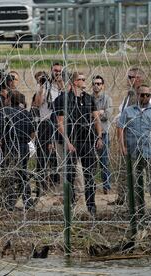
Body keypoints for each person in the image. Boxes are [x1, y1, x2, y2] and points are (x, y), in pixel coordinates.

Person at [54, 72, 103, 216]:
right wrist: (68, 142)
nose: (84, 81)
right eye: (81, 79)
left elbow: (96, 119)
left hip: (87, 140)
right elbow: (60, 123)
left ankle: (91, 207)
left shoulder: (88, 98)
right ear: (74, 82)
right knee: (69, 175)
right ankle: (70, 206)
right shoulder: (63, 99)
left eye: (84, 78)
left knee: (89, 175)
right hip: (72, 142)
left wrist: (99, 136)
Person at [118, 84, 151, 219]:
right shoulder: (128, 111)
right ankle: (138, 212)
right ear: (137, 95)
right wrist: (122, 146)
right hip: (134, 152)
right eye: (142, 95)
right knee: (136, 184)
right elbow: (120, 128)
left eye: (148, 95)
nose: (145, 97)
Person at [109, 67, 145, 205]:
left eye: (132, 77)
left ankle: (135, 200)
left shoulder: (142, 96)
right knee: (123, 170)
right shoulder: (129, 95)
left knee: (135, 171)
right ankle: (122, 197)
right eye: (128, 77)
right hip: (125, 137)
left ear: (139, 79)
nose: (128, 80)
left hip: (135, 138)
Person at [0, 91, 35, 210]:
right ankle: (27, 201)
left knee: (8, 174)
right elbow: (32, 133)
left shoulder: (5, 112)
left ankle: (9, 202)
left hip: (9, 145)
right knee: (22, 173)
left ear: (9, 99)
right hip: (23, 146)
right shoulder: (26, 114)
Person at [31, 68, 60, 198]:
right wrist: (41, 87)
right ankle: (40, 185)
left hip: (54, 123)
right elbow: (37, 103)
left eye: (43, 78)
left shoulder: (55, 89)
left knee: (54, 156)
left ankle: (54, 184)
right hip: (42, 125)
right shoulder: (39, 91)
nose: (41, 80)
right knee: (41, 157)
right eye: (38, 79)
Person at [92, 75, 113, 194]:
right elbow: (85, 115)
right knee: (91, 162)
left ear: (103, 85)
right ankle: (91, 186)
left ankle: (107, 186)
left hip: (104, 133)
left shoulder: (107, 99)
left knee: (104, 161)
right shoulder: (88, 98)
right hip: (91, 134)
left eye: (99, 83)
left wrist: (95, 114)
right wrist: (99, 112)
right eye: (94, 83)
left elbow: (108, 115)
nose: (96, 85)